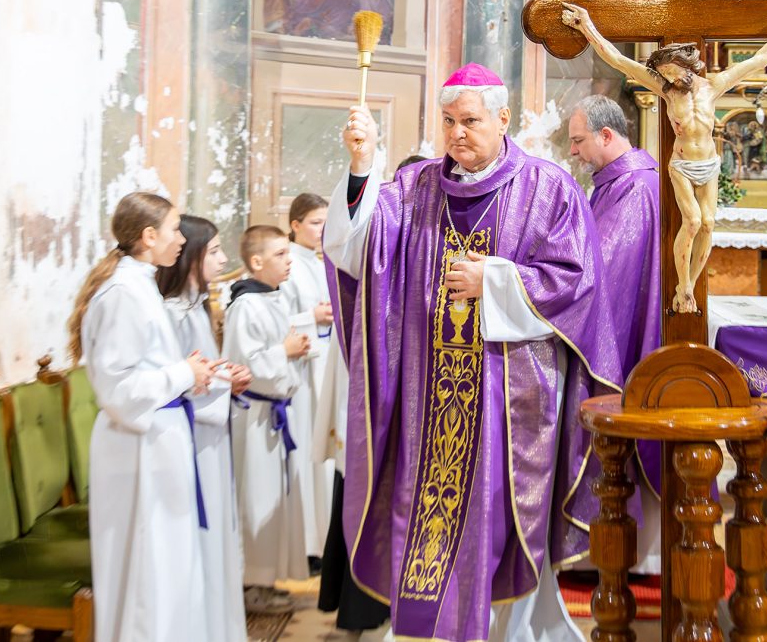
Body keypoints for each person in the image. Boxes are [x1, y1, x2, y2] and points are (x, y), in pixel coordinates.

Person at [324, 62, 621, 641]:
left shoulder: (548, 187)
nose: (457, 133)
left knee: (499, 526)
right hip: (427, 400)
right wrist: (363, 166)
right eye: (449, 121)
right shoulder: (414, 189)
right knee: (425, 522)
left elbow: (578, 285)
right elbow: (356, 252)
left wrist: (499, 280)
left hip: (508, 405)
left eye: (471, 121)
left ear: (503, 118)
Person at [562, 0, 767, 313]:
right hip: (681, 166)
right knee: (691, 221)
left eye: (671, 71)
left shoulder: (714, 86)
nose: (669, 77)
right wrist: (587, 27)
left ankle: (688, 289)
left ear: (685, 66)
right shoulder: (667, 91)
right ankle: (684, 286)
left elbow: (761, 58)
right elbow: (619, 60)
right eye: (664, 73)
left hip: (708, 165)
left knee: (708, 224)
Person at [67, 192, 221, 641]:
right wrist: (181, 372)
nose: (180, 239)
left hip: (158, 441)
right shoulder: (122, 293)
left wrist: (186, 374)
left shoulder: (139, 284)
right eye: (174, 229)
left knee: (167, 565)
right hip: (138, 448)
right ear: (148, 236)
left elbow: (145, 368)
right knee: (146, 568)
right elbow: (118, 388)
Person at [566, 94, 662, 573]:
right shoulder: (613, 182)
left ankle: (625, 553)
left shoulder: (637, 186)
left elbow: (600, 267)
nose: (574, 152)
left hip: (624, 333)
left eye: (579, 141)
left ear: (607, 135)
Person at [157, 215, 251, 641]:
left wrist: (223, 378)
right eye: (213, 251)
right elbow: (173, 384)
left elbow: (199, 373)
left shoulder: (196, 305)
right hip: (189, 443)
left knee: (218, 541)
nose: (222, 259)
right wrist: (219, 384)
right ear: (190, 256)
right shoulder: (173, 313)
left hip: (209, 437)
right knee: (201, 543)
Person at [224, 225, 313, 613]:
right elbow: (246, 365)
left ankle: (267, 579)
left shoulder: (271, 298)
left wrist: (293, 348)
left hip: (274, 414)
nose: (288, 259)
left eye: (287, 253)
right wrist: (286, 350)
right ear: (256, 262)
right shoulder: (246, 305)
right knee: (257, 499)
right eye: (279, 254)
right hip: (256, 414)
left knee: (275, 496)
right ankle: (250, 585)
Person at [280, 193, 337, 572]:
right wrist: (311, 317)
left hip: (321, 365)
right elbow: (274, 320)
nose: (322, 230)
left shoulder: (317, 262)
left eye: (325, 222)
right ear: (296, 223)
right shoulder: (285, 261)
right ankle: (307, 543)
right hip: (299, 371)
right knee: (306, 457)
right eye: (315, 222)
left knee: (324, 459)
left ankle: (322, 539)